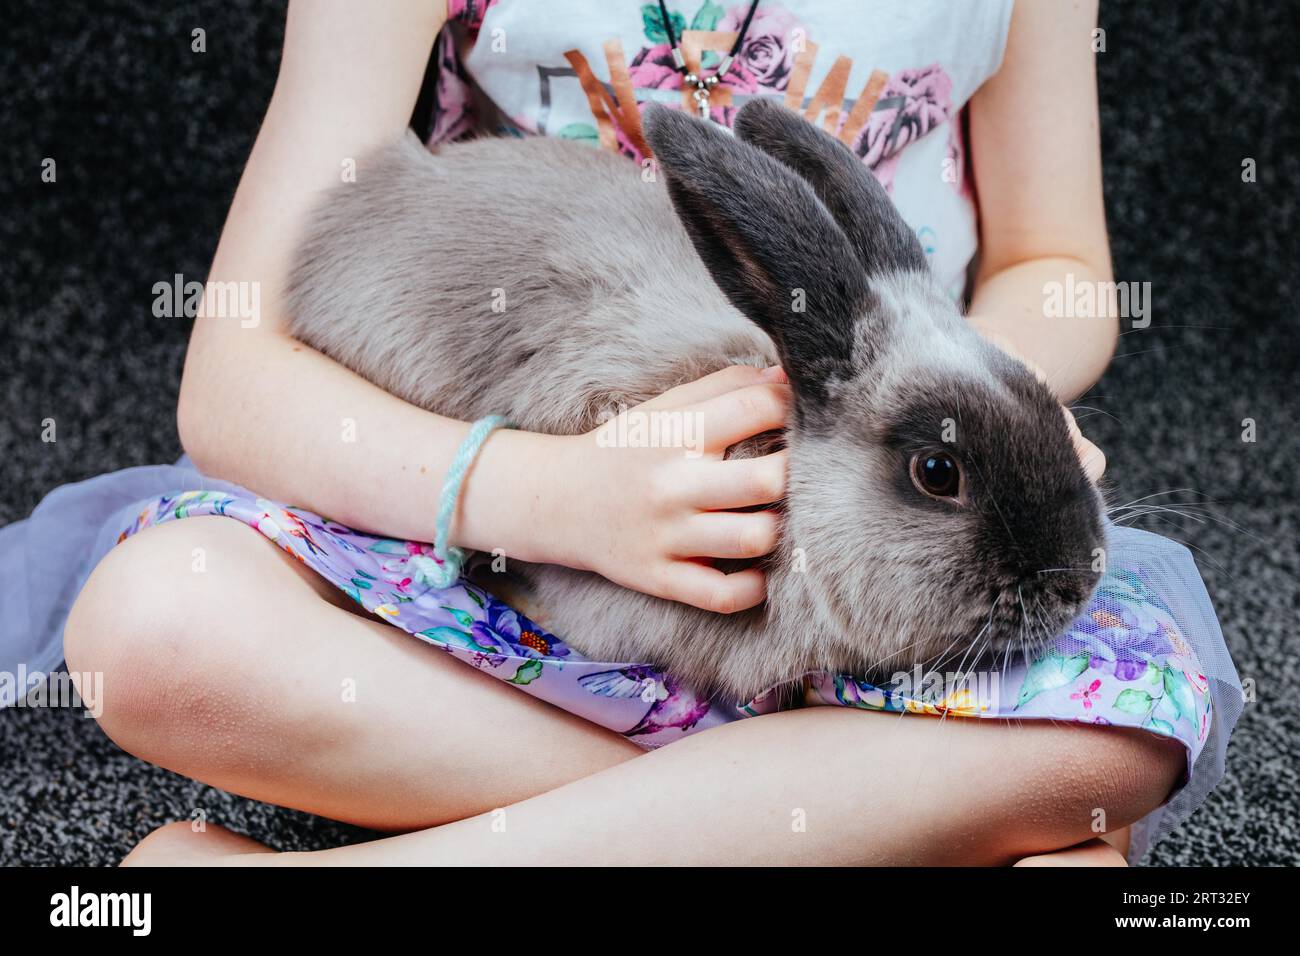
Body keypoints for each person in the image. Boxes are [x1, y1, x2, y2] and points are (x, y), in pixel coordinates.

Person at [26, 0, 1233, 864]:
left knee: (1118, 748)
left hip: (907, 494)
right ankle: (866, 819)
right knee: (154, 628)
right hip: (482, 519)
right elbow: (233, 373)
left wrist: (984, 384)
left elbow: (1059, 264)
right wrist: (548, 495)